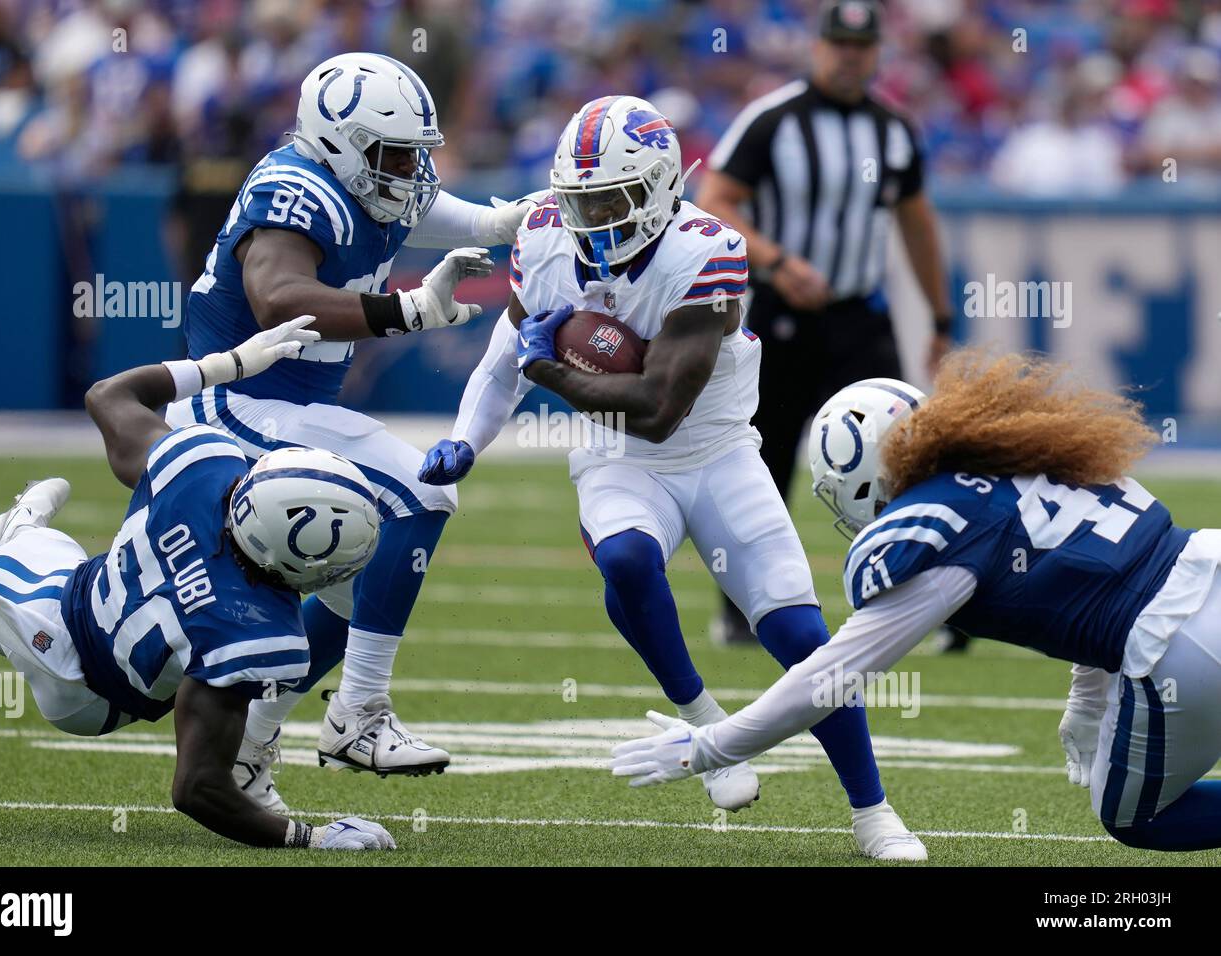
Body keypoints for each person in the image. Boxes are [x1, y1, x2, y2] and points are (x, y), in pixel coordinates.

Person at [418, 94, 925, 860]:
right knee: (625, 557)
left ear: (658, 187)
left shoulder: (706, 249)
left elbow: (656, 406)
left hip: (716, 451)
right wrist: (466, 440)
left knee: (802, 637)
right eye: (578, 197)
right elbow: (504, 355)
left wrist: (548, 366)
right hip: (617, 459)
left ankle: (872, 810)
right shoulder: (546, 239)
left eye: (610, 197)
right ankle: (699, 712)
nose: (591, 215)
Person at [611, 351, 1221, 854]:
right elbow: (1109, 570)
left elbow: (830, 677)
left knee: (1135, 817)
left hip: (1179, 650)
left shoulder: (933, 528)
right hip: (1208, 561)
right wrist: (1086, 702)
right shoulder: (1029, 452)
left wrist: (709, 746)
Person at [163, 52, 533, 802]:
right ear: (340, 142)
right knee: (422, 493)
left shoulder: (369, 182)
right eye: (395, 152)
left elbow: (425, 208)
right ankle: (359, 710)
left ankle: (251, 747)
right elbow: (276, 297)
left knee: (349, 562)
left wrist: (505, 221)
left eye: (416, 152)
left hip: (288, 406)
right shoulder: (295, 188)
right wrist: (404, 310)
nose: (410, 168)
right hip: (235, 401)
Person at [0, 318, 396, 852]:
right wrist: (310, 838)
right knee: (14, 570)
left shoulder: (201, 467)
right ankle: (21, 532)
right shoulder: (260, 634)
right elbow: (198, 787)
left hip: (73, 626)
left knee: (1, 575)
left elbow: (109, 394)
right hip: (83, 669)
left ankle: (20, 535)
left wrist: (227, 364)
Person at [695, 0, 955, 645]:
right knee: (765, 458)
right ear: (819, 48)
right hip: (783, 315)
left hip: (862, 318)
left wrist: (940, 316)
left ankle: (924, 598)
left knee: (907, 454)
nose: (849, 56)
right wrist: (777, 262)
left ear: (876, 54)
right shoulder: (773, 120)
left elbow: (917, 222)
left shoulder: (894, 129)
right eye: (839, 44)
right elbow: (714, 203)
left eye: (861, 47)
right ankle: (743, 606)